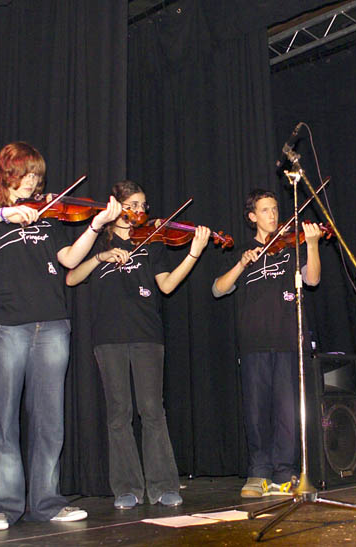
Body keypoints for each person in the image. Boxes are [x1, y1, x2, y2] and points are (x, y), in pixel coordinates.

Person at [0, 142, 121, 531]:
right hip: (5, 325)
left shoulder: (47, 214)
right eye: (25, 174)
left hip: (52, 324)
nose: (32, 182)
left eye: (36, 176)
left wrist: (95, 226)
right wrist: (2, 214)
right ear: (6, 174)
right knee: (2, 417)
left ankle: (47, 501)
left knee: (49, 419)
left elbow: (69, 260)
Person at [65, 180, 210, 508]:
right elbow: (71, 277)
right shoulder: (98, 238)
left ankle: (163, 485)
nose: (140, 211)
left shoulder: (152, 241)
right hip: (108, 336)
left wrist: (193, 253)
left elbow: (168, 286)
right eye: (133, 205)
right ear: (117, 205)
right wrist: (100, 257)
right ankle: (127, 488)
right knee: (119, 413)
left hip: (147, 335)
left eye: (143, 206)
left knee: (152, 410)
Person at [212, 189, 322, 497]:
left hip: (288, 339)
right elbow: (218, 289)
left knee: (288, 411)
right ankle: (258, 472)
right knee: (256, 411)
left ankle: (284, 472)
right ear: (252, 217)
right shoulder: (242, 250)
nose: (272, 215)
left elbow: (312, 280)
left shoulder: (292, 247)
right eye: (265, 210)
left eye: (274, 209)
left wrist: (312, 244)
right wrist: (241, 264)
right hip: (254, 342)